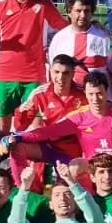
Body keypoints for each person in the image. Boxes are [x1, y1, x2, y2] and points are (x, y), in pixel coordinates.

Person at [5, 71, 112, 194]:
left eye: (99, 93)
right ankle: (83, 208)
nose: (95, 99)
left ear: (107, 91)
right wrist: (18, 136)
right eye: (90, 94)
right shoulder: (79, 116)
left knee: (111, 180)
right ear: (86, 94)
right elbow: (48, 131)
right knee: (74, 167)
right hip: (92, 166)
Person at [0, 0, 70, 170]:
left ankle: (36, 175)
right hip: (5, 77)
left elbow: (63, 27)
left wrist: (85, 24)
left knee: (35, 128)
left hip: (34, 77)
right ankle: (1, 171)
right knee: (2, 128)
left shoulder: (42, 4)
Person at [10, 54, 88, 192]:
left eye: (65, 73)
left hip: (72, 150)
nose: (60, 78)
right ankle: (27, 193)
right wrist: (20, 111)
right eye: (56, 72)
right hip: (47, 147)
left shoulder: (84, 94)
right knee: (17, 148)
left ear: (73, 74)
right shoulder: (40, 93)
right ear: (50, 71)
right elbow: (19, 126)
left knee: (67, 189)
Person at [47, 0, 110, 84]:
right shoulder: (59, 38)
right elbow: (52, 69)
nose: (83, 15)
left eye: (87, 11)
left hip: (97, 95)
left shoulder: (103, 37)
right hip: (70, 95)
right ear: (69, 12)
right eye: (78, 11)